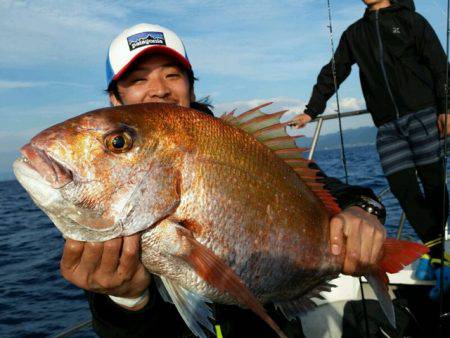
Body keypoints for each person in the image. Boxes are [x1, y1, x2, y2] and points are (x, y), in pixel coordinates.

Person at [60, 23, 388, 337]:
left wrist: (362, 209)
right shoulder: (104, 193)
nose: (159, 89)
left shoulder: (241, 142)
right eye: (137, 79)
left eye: (173, 75)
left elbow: (332, 191)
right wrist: (126, 300)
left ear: (190, 85)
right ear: (116, 99)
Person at [292, 0, 450, 300]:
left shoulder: (411, 21)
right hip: (388, 127)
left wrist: (446, 107)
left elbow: (438, 63)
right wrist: (312, 111)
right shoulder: (354, 34)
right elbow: (334, 71)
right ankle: (438, 251)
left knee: (433, 182)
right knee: (402, 188)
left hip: (425, 113)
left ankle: (436, 251)